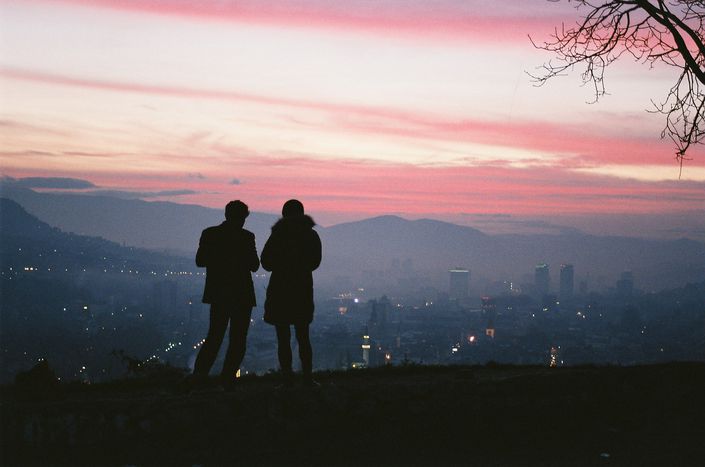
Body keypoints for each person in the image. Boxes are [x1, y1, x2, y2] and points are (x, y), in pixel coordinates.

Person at [192, 200, 259, 387]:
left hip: (219, 293)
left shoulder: (210, 234)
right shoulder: (247, 237)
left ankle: (199, 376)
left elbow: (200, 260)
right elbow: (254, 265)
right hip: (242, 294)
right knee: (238, 339)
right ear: (243, 217)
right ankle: (228, 378)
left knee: (215, 336)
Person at [261, 199, 322, 386]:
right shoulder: (311, 236)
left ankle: (287, 377)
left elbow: (266, 262)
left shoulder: (277, 236)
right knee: (303, 336)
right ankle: (307, 377)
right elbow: (315, 263)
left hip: (280, 290)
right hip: (302, 289)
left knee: (283, 337)